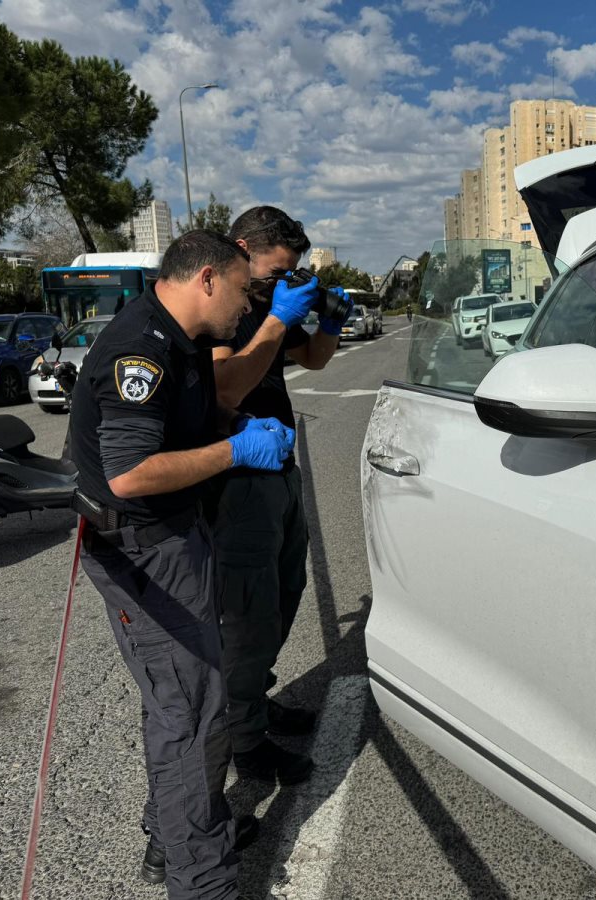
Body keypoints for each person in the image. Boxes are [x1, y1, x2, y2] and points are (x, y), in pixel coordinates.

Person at [68, 230, 310, 900]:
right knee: (192, 716)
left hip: (173, 535)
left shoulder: (183, 341)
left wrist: (233, 433)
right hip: (143, 550)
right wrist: (237, 455)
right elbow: (131, 473)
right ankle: (202, 881)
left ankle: (170, 835)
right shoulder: (139, 349)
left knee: (184, 706)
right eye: (241, 289)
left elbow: (197, 419)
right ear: (206, 277)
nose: (247, 305)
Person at [209, 207, 350, 784]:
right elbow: (226, 389)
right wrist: (273, 321)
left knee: (283, 596)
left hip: (279, 469)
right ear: (242, 249)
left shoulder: (268, 304)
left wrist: (331, 324)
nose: (277, 283)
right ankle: (244, 742)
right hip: (239, 476)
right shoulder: (221, 310)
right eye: (272, 271)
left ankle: (254, 702)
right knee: (246, 617)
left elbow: (311, 359)